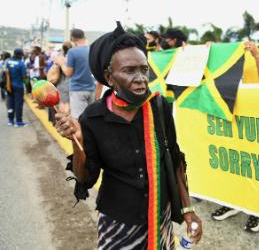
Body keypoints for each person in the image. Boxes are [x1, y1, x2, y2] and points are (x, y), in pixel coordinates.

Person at [54, 22, 202, 249]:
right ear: (109, 77)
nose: (141, 78)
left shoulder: (159, 107)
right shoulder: (93, 119)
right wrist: (79, 142)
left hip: (159, 219)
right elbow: (86, 179)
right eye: (129, 70)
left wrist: (188, 210)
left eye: (144, 70)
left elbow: (173, 160)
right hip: (118, 225)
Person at [211, 7, 259, 233]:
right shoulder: (247, 49)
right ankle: (233, 202)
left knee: (258, 164)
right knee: (237, 159)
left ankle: (257, 210)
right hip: (240, 113)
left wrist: (257, 57)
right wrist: (212, 50)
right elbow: (225, 65)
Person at [55, 28, 96, 119]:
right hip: (92, 88)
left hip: (78, 89)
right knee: (90, 118)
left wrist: (61, 63)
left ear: (73, 39)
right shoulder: (92, 50)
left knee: (78, 119)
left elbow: (68, 73)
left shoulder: (73, 52)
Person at [6, 48, 27, 127]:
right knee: (18, 104)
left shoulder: (8, 62)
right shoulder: (21, 64)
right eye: (21, 55)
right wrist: (27, 86)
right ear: (19, 55)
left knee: (10, 103)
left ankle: (10, 120)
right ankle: (18, 122)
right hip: (18, 86)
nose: (22, 56)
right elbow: (24, 77)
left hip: (9, 86)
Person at [54, 41, 73, 113]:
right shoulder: (72, 57)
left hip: (62, 83)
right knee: (69, 105)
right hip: (71, 83)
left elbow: (55, 66)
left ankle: (64, 120)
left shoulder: (59, 58)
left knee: (63, 104)